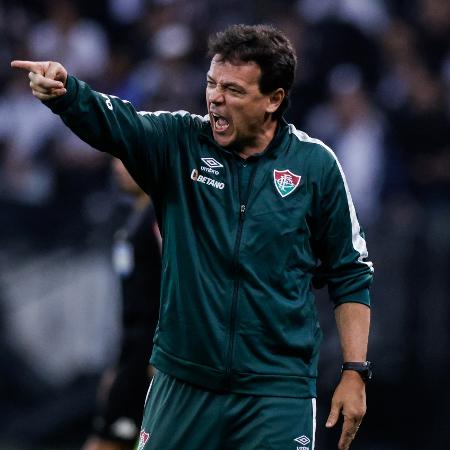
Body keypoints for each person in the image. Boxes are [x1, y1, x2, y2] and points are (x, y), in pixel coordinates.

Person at [12, 24, 373, 450]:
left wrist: (354, 371)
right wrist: (67, 93)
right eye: (211, 84)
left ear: (273, 100)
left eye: (234, 90)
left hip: (276, 390)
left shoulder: (316, 167)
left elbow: (350, 273)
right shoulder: (180, 141)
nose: (215, 98)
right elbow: (116, 123)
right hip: (184, 383)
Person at [82, 160, 161, 450]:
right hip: (133, 352)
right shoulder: (133, 216)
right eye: (115, 160)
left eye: (128, 159)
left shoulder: (159, 217)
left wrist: (161, 353)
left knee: (106, 442)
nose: (118, 167)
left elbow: (176, 283)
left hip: (150, 355)